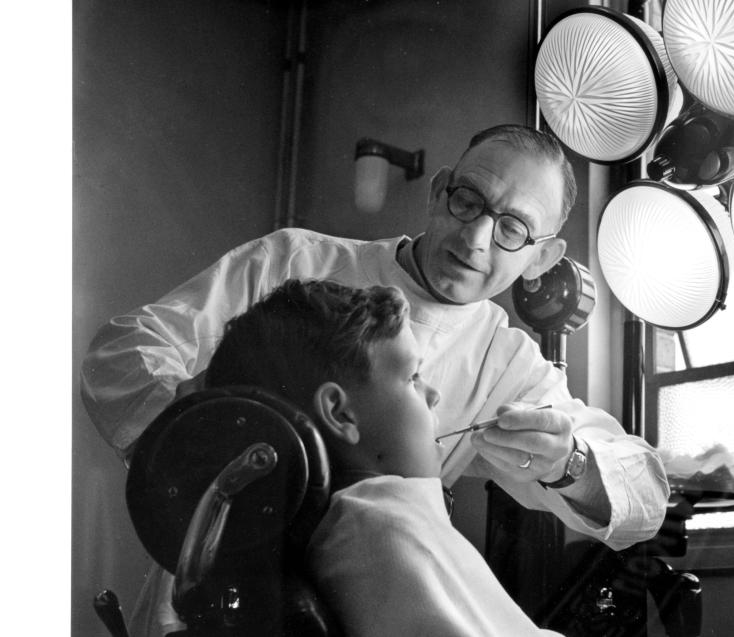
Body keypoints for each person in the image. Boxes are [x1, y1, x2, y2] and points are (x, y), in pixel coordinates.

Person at [81, 124, 670, 631]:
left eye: (513, 228)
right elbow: (119, 356)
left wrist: (569, 462)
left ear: (542, 257)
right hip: (219, 594)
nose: (475, 238)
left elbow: (643, 495)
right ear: (440, 192)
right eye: (468, 201)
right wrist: (230, 438)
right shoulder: (297, 264)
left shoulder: (506, 364)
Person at [199, 278, 562, 636]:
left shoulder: (353, 529)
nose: (433, 395)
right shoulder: (383, 528)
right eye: (413, 377)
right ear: (340, 414)